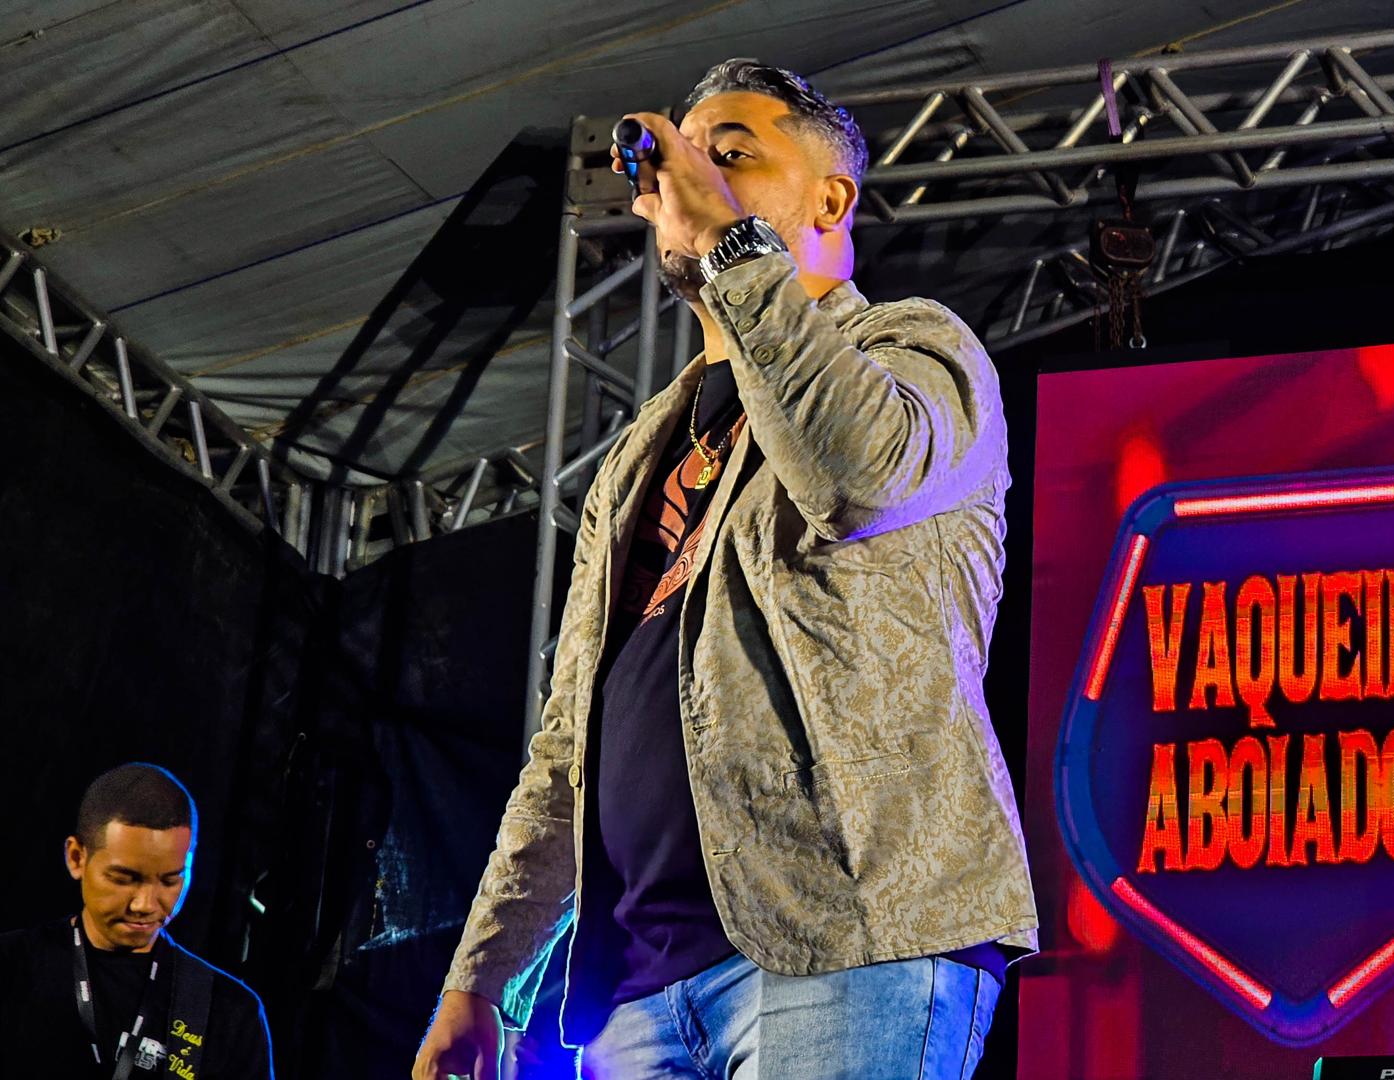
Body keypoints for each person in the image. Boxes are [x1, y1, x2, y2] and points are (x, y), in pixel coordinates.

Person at [413, 59, 1036, 1080]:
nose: (694, 177)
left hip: (852, 942)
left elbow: (859, 475)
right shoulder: (635, 458)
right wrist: (479, 979)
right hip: (636, 993)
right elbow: (567, 746)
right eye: (685, 163)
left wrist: (731, 245)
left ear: (830, 199)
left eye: (733, 155)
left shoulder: (916, 348)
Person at [0, 762, 274, 1078]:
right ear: (76, 858)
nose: (144, 905)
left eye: (170, 880)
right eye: (124, 879)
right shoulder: (11, 967)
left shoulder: (228, 1010)